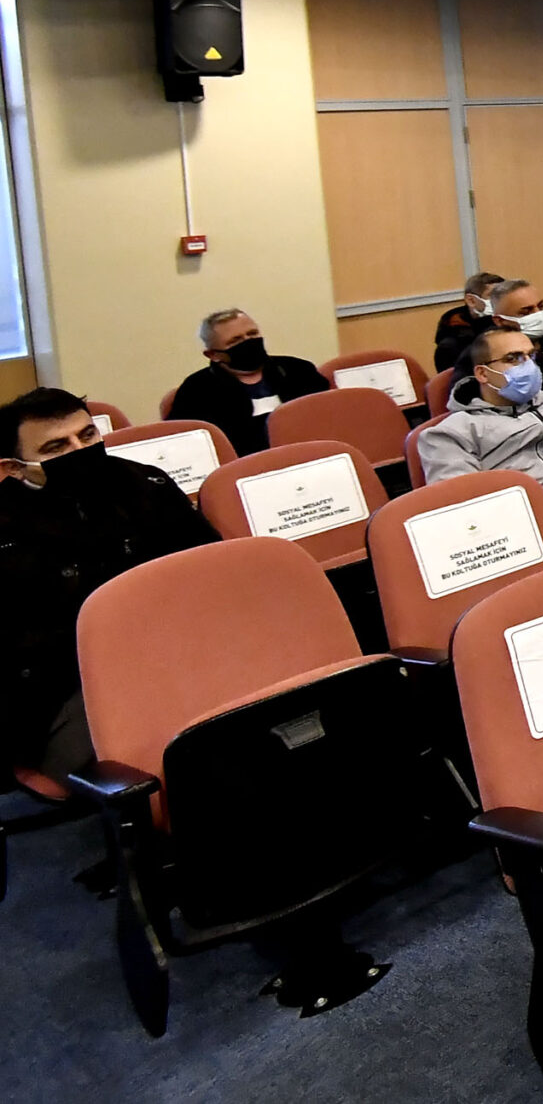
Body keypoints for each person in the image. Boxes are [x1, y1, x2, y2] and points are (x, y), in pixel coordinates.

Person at [0, 389, 216, 778]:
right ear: (13, 468)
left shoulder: (144, 483)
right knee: (175, 764)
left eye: (87, 437)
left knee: (250, 725)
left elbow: (209, 568)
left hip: (177, 650)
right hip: (64, 687)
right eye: (55, 447)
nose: (79, 451)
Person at [416, 327, 543, 554]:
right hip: (539, 538)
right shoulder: (451, 434)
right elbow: (466, 508)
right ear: (482, 373)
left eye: (530, 356)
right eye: (513, 358)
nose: (529, 366)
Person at [170, 308, 329, 456]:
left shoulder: (298, 370)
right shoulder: (197, 390)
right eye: (235, 341)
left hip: (310, 456)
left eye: (252, 334)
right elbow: (190, 446)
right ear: (213, 355)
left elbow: (327, 417)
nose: (248, 342)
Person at [432, 271, 507, 371]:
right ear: (471, 300)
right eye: (493, 295)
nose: (501, 301)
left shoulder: (510, 325)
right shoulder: (449, 346)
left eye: (503, 296)